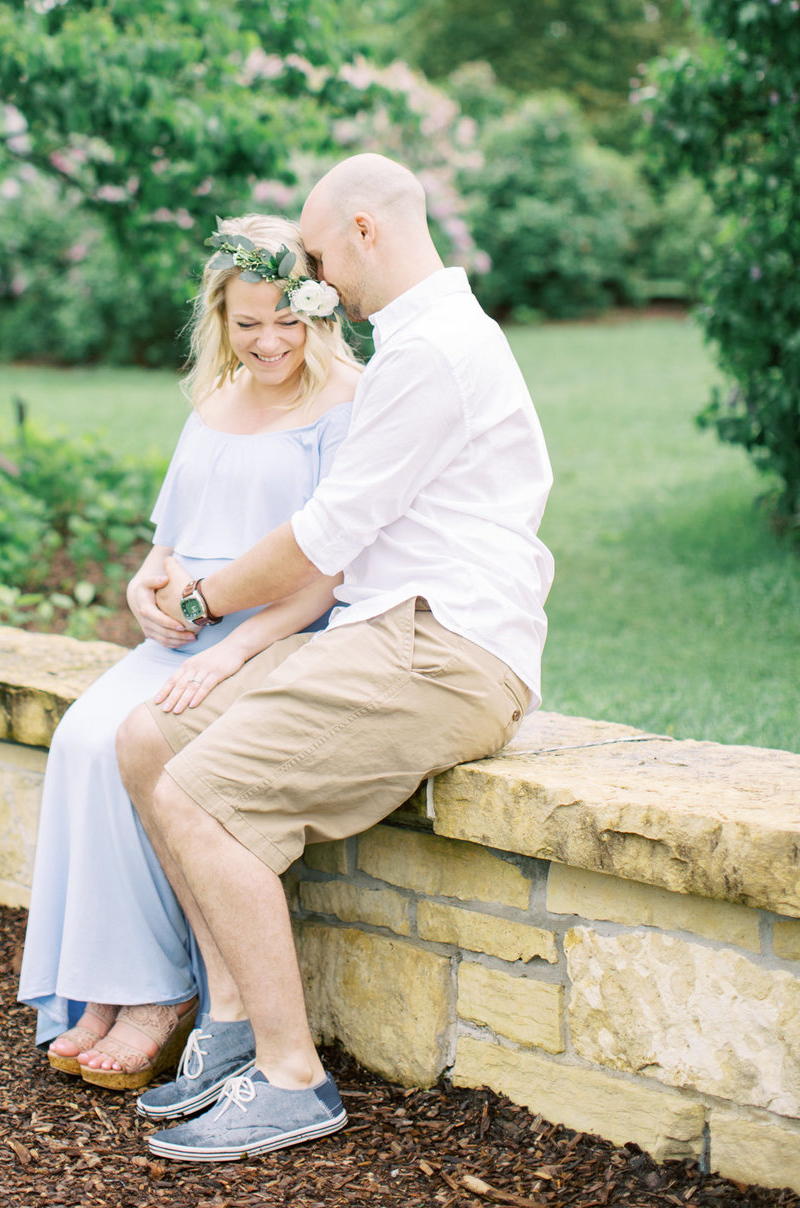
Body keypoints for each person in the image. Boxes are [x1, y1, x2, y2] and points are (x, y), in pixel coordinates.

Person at [116, 152, 554, 1160]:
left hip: (443, 644)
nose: (314, 282)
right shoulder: (415, 340)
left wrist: (201, 599)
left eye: (316, 255)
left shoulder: (433, 351)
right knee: (151, 741)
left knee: (197, 795)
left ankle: (292, 1078)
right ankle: (230, 1021)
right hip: (379, 627)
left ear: (364, 229)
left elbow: (325, 535)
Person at [17, 214, 360, 1090]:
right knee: (81, 741)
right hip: (180, 635)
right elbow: (166, 544)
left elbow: (326, 570)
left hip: (268, 638)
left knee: (142, 740)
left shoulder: (345, 406)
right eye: (247, 324)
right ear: (219, 319)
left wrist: (229, 651)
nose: (269, 341)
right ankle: (105, 984)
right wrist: (143, 585)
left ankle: (160, 997)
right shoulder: (212, 401)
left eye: (287, 320)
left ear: (320, 313)